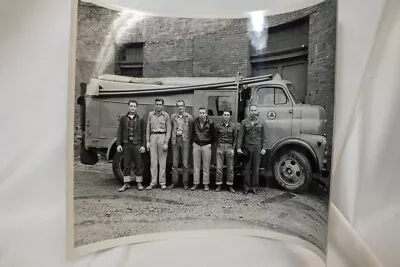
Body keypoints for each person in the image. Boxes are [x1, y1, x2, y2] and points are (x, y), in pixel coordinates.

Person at [116, 100, 146, 192]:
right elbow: (119, 132)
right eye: (131, 106)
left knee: (138, 164)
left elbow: (143, 133)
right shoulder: (123, 118)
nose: (132, 108)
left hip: (137, 144)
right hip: (126, 144)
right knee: (126, 164)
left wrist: (143, 145)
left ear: (136, 107)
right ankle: (126, 183)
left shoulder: (140, 119)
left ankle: (139, 183)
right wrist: (119, 144)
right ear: (128, 106)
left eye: (134, 106)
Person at [237, 105, 267, 194]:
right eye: (251, 110)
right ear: (249, 111)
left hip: (257, 148)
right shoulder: (244, 122)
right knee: (246, 168)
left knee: (255, 169)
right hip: (247, 148)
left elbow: (264, 137)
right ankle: (246, 187)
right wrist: (238, 148)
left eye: (255, 110)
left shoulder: (262, 122)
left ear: (257, 111)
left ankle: (254, 187)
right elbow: (240, 137)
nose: (253, 112)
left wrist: (264, 148)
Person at [146, 98, 171, 190]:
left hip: (162, 137)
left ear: (162, 105)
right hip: (153, 137)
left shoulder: (166, 116)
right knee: (153, 162)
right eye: (157, 104)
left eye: (160, 104)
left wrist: (166, 142)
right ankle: (153, 182)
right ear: (155, 105)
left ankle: (162, 182)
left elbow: (169, 130)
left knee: (162, 162)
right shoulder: (150, 115)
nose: (158, 106)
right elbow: (148, 129)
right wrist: (148, 142)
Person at [168, 100, 193, 190]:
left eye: (182, 105)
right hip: (175, 140)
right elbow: (171, 128)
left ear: (184, 107)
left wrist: (188, 140)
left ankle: (185, 183)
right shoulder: (173, 117)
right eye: (178, 106)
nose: (180, 107)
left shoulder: (189, 117)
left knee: (185, 163)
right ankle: (174, 182)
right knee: (175, 163)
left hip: (185, 140)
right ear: (176, 107)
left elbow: (191, 131)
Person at [191, 107, 215, 191]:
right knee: (196, 166)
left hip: (206, 145)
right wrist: (193, 142)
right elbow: (192, 133)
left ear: (206, 114)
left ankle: (206, 184)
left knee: (206, 166)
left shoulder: (210, 123)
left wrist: (209, 144)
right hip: (196, 145)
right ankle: (195, 183)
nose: (201, 114)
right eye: (200, 113)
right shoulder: (194, 122)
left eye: (203, 113)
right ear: (198, 114)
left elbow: (213, 135)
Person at [215, 110, 238, 193]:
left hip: (229, 148)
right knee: (219, 168)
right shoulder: (218, 126)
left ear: (230, 116)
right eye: (225, 115)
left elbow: (235, 139)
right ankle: (218, 185)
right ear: (222, 116)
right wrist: (217, 147)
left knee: (230, 168)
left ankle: (230, 185)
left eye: (228, 115)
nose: (226, 116)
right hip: (220, 147)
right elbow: (215, 137)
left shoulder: (233, 126)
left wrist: (233, 149)